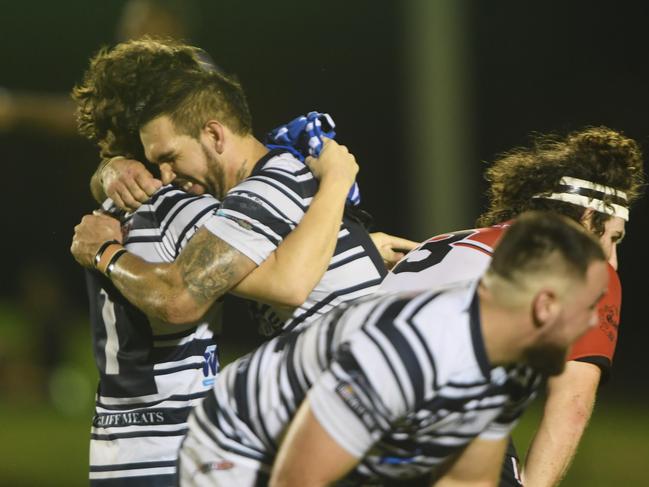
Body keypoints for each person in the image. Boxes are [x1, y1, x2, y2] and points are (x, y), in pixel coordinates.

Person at [176, 212, 609, 486]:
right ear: (545, 306)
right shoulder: (411, 350)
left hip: (347, 454)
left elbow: (466, 479)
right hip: (242, 448)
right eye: (589, 306)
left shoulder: (515, 363)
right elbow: (297, 481)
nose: (593, 322)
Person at [71, 38, 414, 336]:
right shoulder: (266, 178)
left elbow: (183, 298)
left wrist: (103, 252)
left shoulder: (267, 185)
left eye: (170, 158)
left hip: (359, 375)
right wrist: (109, 170)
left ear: (215, 134)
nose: (164, 176)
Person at [81, 140, 366, 486]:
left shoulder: (108, 207)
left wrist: (106, 172)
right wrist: (337, 183)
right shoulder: (181, 209)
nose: (173, 171)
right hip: (175, 444)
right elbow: (283, 280)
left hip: (113, 448)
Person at [380, 126, 645, 486]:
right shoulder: (581, 265)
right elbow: (572, 403)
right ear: (586, 218)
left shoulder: (441, 243)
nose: (612, 260)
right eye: (612, 238)